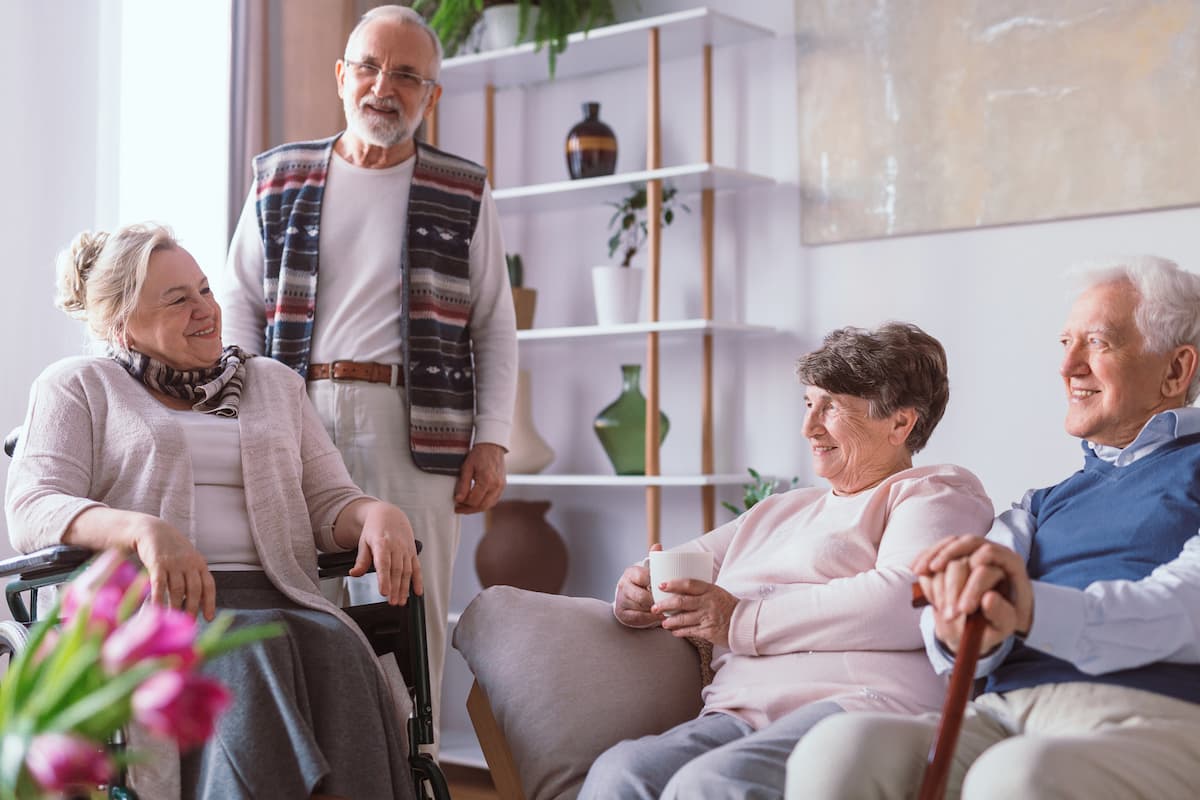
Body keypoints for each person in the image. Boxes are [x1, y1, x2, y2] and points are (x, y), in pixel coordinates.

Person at [6, 222, 422, 800]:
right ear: (121, 322)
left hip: (284, 595)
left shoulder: (273, 384)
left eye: (204, 289)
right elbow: (32, 505)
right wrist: (140, 530)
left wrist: (375, 513)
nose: (205, 309)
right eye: (177, 299)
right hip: (162, 607)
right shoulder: (79, 385)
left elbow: (329, 503)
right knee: (253, 650)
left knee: (340, 648)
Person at [787, 256, 1200, 800]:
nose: (1067, 365)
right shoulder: (1039, 503)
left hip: (1152, 715)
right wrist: (959, 618)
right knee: (838, 749)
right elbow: (958, 640)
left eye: (1097, 343)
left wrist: (1027, 607)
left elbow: (1184, 606)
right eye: (1064, 343)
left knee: (1015, 778)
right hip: (1003, 713)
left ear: (1176, 370)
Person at [214, 4, 517, 734]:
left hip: (416, 425)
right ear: (343, 76)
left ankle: (415, 768)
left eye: (408, 75)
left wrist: (493, 438)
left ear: (431, 97)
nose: (386, 86)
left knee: (408, 613)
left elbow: (494, 324)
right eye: (372, 68)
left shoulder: (463, 188)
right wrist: (244, 410)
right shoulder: (279, 177)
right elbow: (239, 302)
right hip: (293, 410)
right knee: (299, 599)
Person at [577, 323, 995, 800]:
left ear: (900, 423)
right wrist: (637, 589)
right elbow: (681, 567)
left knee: (711, 785)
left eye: (832, 406)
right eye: (808, 403)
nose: (809, 426)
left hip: (857, 707)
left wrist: (740, 618)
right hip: (739, 712)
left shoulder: (934, 491)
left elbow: (906, 598)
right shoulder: (780, 510)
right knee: (622, 770)